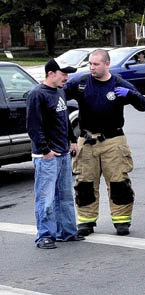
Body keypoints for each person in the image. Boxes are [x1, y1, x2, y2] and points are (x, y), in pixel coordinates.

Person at [64, 49, 145, 237]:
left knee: (119, 183)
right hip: (86, 141)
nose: (92, 68)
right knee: (85, 183)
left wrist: (130, 95)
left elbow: (143, 105)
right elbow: (59, 96)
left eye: (96, 64)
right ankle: (86, 221)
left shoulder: (118, 84)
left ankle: (121, 221)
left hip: (113, 140)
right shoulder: (81, 83)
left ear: (107, 64)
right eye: (90, 64)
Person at [26, 59, 83, 249]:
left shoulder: (59, 91)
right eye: (63, 74)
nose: (66, 78)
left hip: (63, 153)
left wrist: (72, 140)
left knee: (65, 196)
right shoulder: (37, 95)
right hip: (47, 156)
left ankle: (67, 231)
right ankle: (45, 235)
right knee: (46, 198)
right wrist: (45, 150)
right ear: (51, 73)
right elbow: (33, 126)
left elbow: (64, 120)